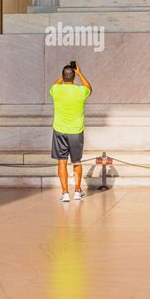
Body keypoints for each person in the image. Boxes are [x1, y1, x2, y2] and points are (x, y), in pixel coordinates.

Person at [49, 64, 92, 202]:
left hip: (60, 130)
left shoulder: (56, 89)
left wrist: (63, 76)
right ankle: (78, 191)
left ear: (63, 76)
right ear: (74, 77)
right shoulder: (80, 91)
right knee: (77, 162)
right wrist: (79, 73)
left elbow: (55, 84)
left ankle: (65, 193)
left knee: (62, 162)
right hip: (76, 131)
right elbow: (89, 88)